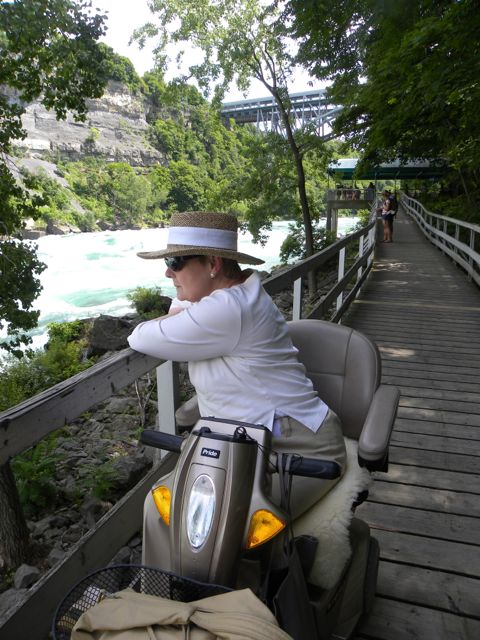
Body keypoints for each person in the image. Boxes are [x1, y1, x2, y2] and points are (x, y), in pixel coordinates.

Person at [128, 211, 346, 525]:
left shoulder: (230, 308)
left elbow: (139, 336)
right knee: (169, 512)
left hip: (300, 449)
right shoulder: (242, 293)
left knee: (229, 531)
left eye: (176, 263)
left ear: (213, 264)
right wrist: (185, 304)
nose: (167, 273)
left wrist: (179, 309)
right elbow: (181, 311)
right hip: (243, 444)